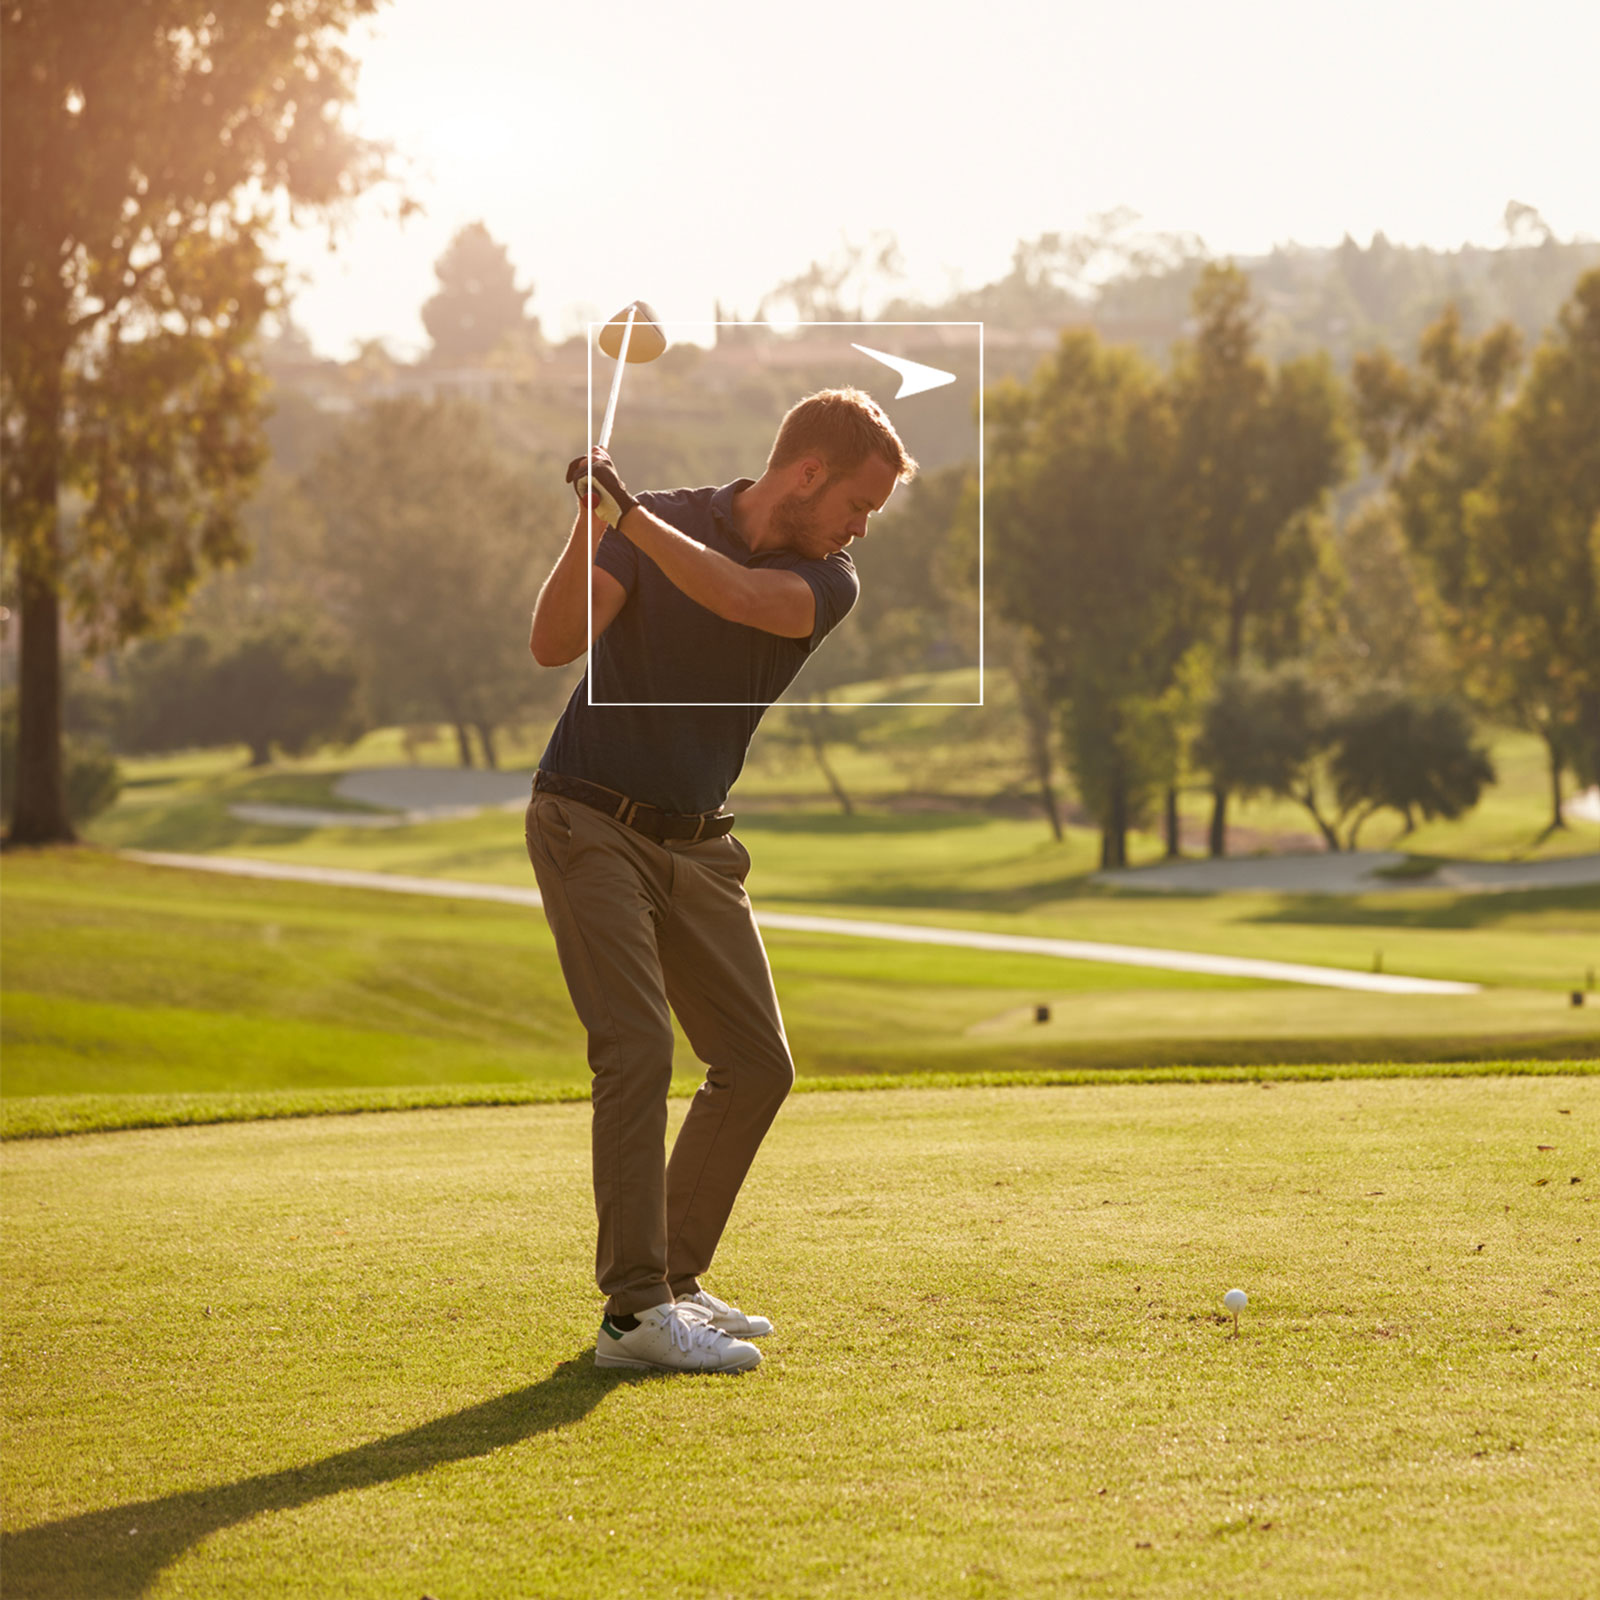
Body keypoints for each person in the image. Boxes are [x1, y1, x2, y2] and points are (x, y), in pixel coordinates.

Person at [526, 387, 917, 1374]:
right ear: (807, 473)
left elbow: (739, 599)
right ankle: (633, 1313)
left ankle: (677, 1278)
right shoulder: (658, 518)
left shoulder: (826, 580)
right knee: (637, 1046)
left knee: (757, 1061)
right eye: (857, 505)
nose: (859, 529)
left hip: (697, 843)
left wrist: (629, 519)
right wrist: (592, 530)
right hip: (587, 816)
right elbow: (553, 641)